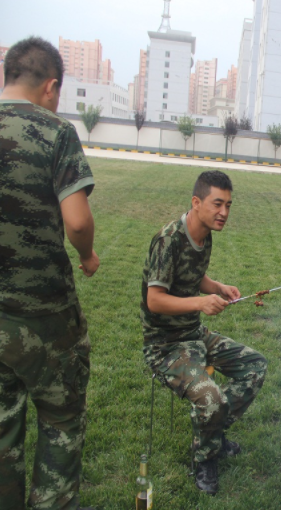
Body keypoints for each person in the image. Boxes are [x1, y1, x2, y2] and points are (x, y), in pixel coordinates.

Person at [0, 37, 99, 510]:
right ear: (50, 86)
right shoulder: (55, 132)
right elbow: (77, 220)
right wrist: (88, 255)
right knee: (60, 423)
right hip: (46, 318)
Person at [140, 170, 267, 496]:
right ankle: (205, 458)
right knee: (209, 396)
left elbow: (193, 275)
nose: (224, 212)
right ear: (196, 203)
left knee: (255, 365)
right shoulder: (168, 239)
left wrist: (217, 286)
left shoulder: (204, 234)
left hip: (194, 333)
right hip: (165, 345)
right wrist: (200, 301)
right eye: (217, 204)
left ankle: (212, 433)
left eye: (228, 204)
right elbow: (154, 300)